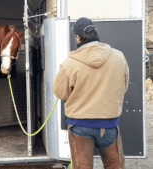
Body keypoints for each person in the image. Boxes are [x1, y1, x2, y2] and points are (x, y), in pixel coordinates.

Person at [53, 17, 129, 169]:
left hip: (80, 126)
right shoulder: (119, 57)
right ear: (95, 33)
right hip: (109, 125)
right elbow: (124, 86)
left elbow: (60, 93)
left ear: (78, 37)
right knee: (116, 166)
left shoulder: (69, 63)